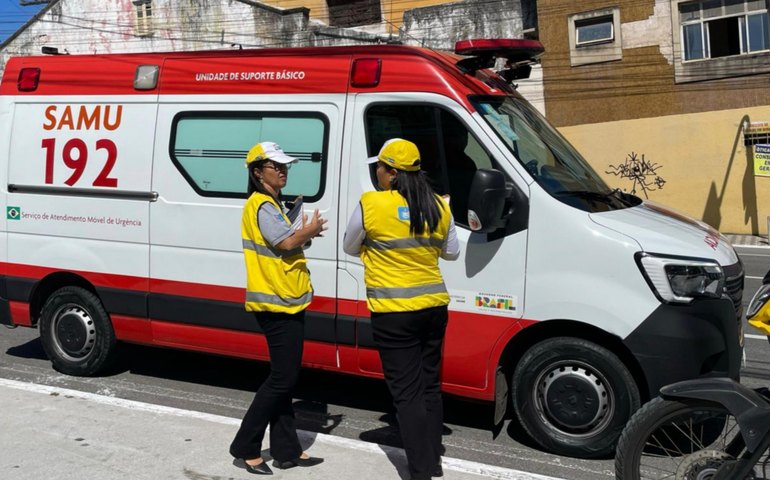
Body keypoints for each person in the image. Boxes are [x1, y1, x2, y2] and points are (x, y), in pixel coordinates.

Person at [343, 138, 460, 480]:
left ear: (391, 173)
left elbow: (350, 246)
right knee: (429, 387)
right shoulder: (439, 204)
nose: (377, 172)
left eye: (379, 166)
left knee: (406, 395)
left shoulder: (371, 204)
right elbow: (451, 252)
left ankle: (421, 471)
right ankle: (433, 460)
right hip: (434, 307)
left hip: (394, 312)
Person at [230, 141, 327, 475]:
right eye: (276, 166)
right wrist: (308, 231)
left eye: (286, 166)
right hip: (276, 302)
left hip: (287, 298)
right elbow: (284, 242)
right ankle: (245, 446)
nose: (283, 171)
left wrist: (302, 231)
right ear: (258, 172)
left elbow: (286, 241)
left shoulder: (272, 204)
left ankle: (287, 450)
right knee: (282, 379)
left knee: (284, 380)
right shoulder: (262, 205)